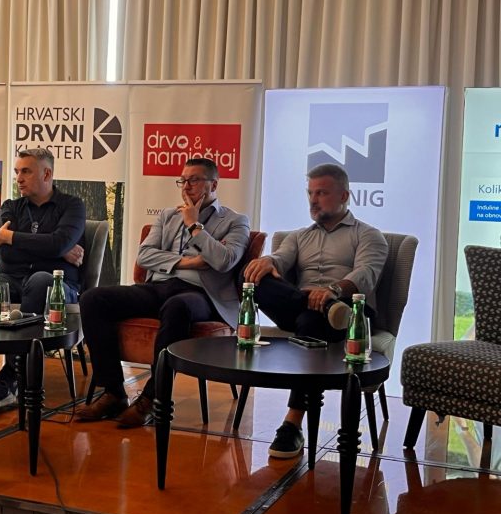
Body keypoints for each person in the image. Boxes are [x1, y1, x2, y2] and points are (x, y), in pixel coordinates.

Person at [76, 157, 250, 428]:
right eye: (183, 180)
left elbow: (225, 260)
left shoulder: (235, 221)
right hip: (158, 286)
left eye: (194, 180)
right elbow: (145, 255)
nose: (186, 187)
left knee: (178, 306)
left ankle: (152, 398)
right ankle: (113, 393)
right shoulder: (168, 215)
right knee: (93, 299)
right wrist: (189, 262)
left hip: (201, 293)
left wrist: (195, 226)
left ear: (213, 184)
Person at [243, 163, 388, 458]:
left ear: (344, 195)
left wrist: (332, 291)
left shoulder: (368, 235)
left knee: (311, 320)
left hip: (350, 314)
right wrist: (268, 262)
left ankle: (292, 423)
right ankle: (317, 305)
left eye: (321, 193)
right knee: (250, 277)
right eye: (310, 193)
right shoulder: (299, 236)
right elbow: (281, 258)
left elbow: (365, 274)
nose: (313, 200)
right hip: (299, 306)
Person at [0, 147, 86, 417]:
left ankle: (12, 375)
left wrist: (13, 237)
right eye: (17, 172)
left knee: (42, 280)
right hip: (11, 280)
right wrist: (56, 249)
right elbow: (6, 252)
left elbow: (56, 243)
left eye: (26, 171)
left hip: (58, 287)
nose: (18, 178)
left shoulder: (72, 206)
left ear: (47, 174)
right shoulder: (11, 206)